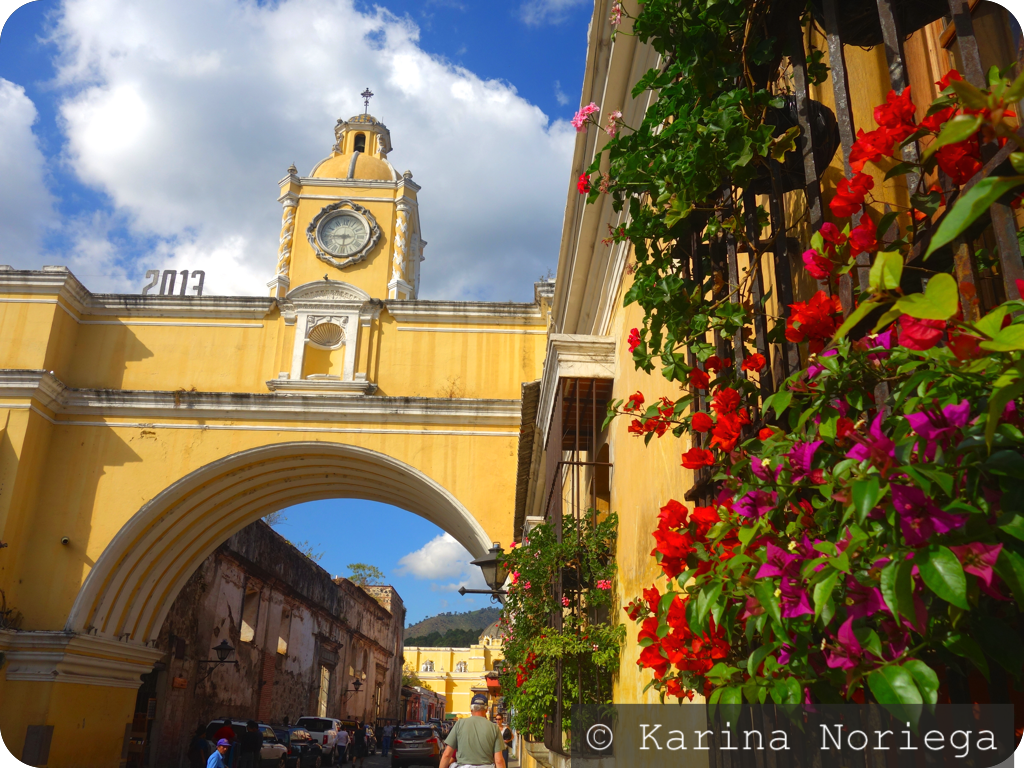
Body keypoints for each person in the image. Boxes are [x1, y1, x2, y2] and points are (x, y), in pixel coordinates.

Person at [439, 694, 505, 768]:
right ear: (486, 710)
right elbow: (499, 760)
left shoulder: (459, 724)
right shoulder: (494, 728)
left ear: (471, 709)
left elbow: (447, 755)